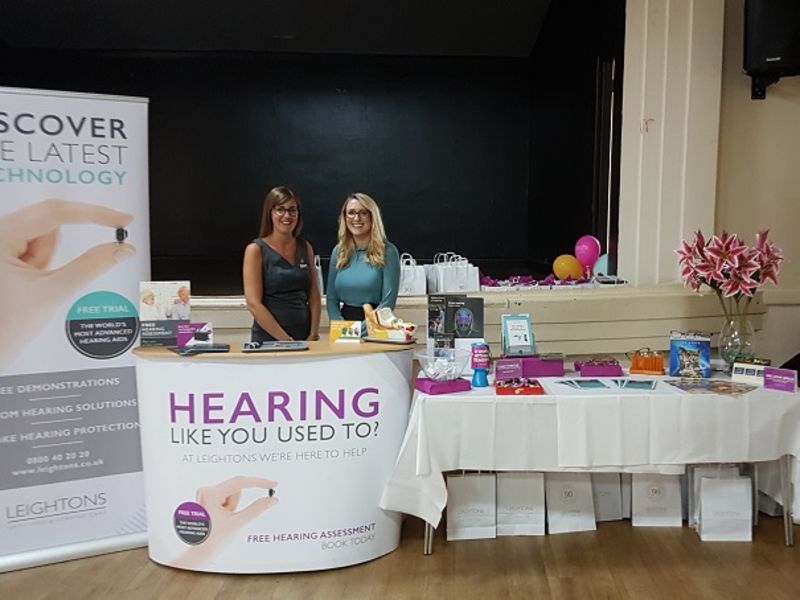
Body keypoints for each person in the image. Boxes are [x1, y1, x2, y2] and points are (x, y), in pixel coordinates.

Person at [243, 186, 321, 343]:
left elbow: (314, 295)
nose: (287, 215)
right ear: (270, 213)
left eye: (292, 210)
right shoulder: (255, 250)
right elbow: (253, 304)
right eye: (280, 210)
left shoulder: (305, 247)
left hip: (305, 339)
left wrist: (313, 334)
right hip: (269, 341)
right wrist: (288, 342)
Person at [326, 193, 400, 324]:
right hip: (343, 327)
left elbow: (387, 303)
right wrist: (340, 325)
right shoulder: (338, 251)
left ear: (372, 217)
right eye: (351, 213)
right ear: (344, 217)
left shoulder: (388, 251)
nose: (356, 218)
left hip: (375, 326)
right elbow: (331, 298)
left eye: (363, 213)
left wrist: (363, 330)